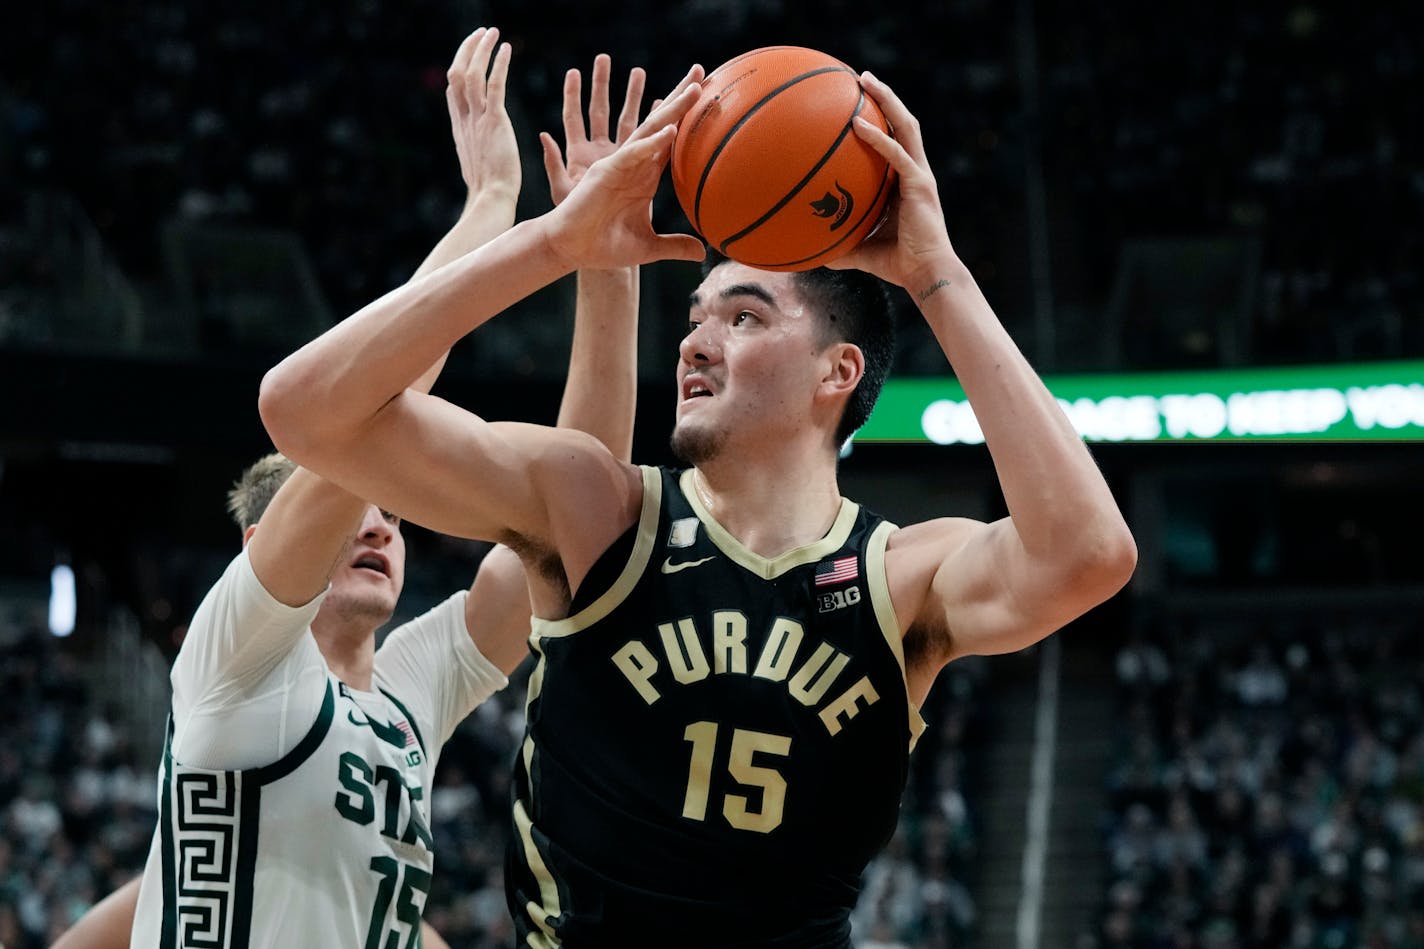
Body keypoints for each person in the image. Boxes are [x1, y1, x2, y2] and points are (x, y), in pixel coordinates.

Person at [259, 63, 1137, 947]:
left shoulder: (900, 576)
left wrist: (937, 275)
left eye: (745, 317)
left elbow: (1089, 554)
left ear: (838, 372)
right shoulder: (600, 509)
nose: (695, 342)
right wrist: (556, 244)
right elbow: (306, 410)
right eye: (694, 316)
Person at [51, 29, 654, 949]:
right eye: (351, 509)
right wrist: (492, 210)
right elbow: (366, 399)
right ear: (262, 548)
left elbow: (570, 511)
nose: (379, 526)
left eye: (392, 516)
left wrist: (609, 269)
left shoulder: (411, 683)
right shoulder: (237, 656)